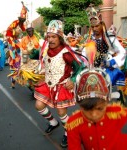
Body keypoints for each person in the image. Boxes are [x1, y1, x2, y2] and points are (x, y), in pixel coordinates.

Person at [66, 43, 127, 150]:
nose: (94, 115)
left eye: (99, 108)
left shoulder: (115, 113)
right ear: (79, 105)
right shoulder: (73, 123)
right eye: (87, 109)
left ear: (107, 102)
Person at [34, 20, 84, 148]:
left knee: (61, 112)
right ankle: (53, 122)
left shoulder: (66, 53)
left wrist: (72, 80)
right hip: (47, 84)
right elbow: (38, 57)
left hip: (62, 85)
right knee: (39, 105)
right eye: (48, 37)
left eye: (53, 37)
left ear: (60, 38)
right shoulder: (45, 49)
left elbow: (80, 67)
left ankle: (68, 133)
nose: (50, 40)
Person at [84, 4, 126, 105]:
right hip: (93, 69)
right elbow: (84, 54)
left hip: (107, 69)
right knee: (93, 94)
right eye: (92, 26)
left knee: (104, 95)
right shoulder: (89, 39)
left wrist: (111, 62)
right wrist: (86, 63)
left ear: (102, 25)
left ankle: (117, 97)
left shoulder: (110, 38)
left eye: (97, 26)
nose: (94, 28)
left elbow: (123, 52)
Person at [6, 1, 28, 89]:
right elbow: (8, 32)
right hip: (11, 40)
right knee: (13, 60)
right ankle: (13, 81)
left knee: (23, 53)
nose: (23, 21)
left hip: (16, 41)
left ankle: (21, 72)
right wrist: (13, 40)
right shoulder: (15, 22)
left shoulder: (21, 24)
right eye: (22, 19)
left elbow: (25, 32)